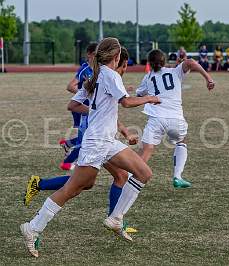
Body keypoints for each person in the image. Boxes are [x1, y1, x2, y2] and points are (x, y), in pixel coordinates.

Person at [20, 38, 161, 258]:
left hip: (107, 140)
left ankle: (115, 218)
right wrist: (150, 98)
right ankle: (33, 227)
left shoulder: (94, 76)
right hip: (97, 143)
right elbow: (125, 102)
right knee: (72, 190)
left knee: (143, 172)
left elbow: (73, 105)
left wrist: (97, 114)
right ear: (116, 57)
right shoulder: (110, 75)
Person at [23, 48, 139, 228]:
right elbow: (83, 99)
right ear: (117, 61)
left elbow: (108, 113)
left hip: (100, 134)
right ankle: (36, 214)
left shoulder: (104, 76)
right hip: (95, 134)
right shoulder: (100, 75)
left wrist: (124, 132)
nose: (125, 71)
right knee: (81, 182)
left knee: (108, 178)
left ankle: (115, 219)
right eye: (124, 67)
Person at [133, 49, 215, 189]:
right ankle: (177, 176)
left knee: (146, 150)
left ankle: (131, 179)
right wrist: (208, 78)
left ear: (149, 64)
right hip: (175, 119)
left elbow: (140, 95)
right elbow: (190, 62)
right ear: (164, 61)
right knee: (181, 141)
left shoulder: (148, 77)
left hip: (156, 119)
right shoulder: (175, 72)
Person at [65, 43, 97, 132]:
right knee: (84, 135)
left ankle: (67, 144)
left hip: (91, 107)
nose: (97, 57)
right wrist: (86, 94)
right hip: (81, 106)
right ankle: (68, 144)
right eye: (94, 54)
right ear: (89, 54)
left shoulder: (98, 69)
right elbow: (70, 86)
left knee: (89, 134)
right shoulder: (85, 69)